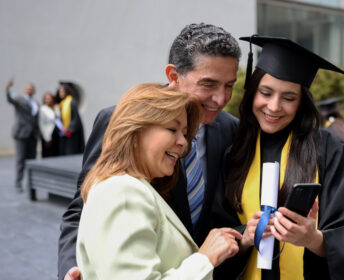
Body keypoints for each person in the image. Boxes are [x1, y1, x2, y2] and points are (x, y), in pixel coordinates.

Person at [58, 23, 241, 280]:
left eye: (229, 85)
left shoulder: (231, 128)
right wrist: (73, 268)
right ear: (174, 75)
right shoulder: (120, 121)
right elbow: (84, 206)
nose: (221, 99)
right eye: (209, 84)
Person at [212, 35, 344, 279]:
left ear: (301, 103)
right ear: (252, 93)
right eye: (266, 93)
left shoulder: (326, 150)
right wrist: (245, 236)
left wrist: (313, 239)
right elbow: (215, 228)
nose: (274, 107)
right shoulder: (235, 152)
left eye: (288, 98)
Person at [76, 83, 241, 279]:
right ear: (134, 132)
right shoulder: (123, 192)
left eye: (185, 133)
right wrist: (206, 258)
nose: (183, 142)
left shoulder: (133, 186)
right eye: (172, 129)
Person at [5, 79, 39, 192]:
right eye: (27, 88)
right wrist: (8, 89)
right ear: (25, 90)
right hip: (21, 134)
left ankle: (31, 183)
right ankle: (18, 183)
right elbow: (10, 99)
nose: (29, 90)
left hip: (32, 136)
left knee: (32, 160)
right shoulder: (19, 99)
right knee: (20, 159)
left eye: (31, 88)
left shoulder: (35, 103)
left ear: (33, 91)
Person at [57, 82, 85, 155]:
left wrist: (68, 128)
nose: (60, 93)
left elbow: (76, 118)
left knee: (70, 151)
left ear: (67, 91)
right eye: (59, 92)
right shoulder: (62, 103)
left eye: (62, 91)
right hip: (64, 132)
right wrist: (62, 127)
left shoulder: (72, 102)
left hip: (72, 133)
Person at [39, 92, 60, 157]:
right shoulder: (43, 109)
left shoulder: (56, 107)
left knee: (57, 153)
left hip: (57, 134)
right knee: (49, 154)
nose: (48, 100)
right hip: (48, 135)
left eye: (49, 98)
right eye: (46, 99)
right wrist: (47, 138)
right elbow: (42, 124)